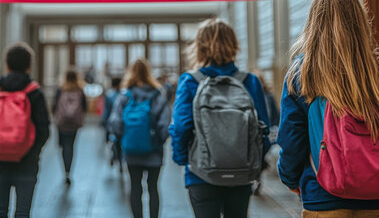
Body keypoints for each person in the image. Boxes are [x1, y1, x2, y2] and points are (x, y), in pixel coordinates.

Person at [277, 0, 379, 218]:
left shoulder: (302, 77)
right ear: (361, 22)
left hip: (323, 197)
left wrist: (291, 178)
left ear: (313, 26)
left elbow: (291, 139)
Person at [169, 18, 271, 218]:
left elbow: (181, 127)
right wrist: (254, 160)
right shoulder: (250, 81)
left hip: (201, 174)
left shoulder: (190, 81)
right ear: (234, 45)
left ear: (199, 47)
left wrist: (183, 159)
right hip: (242, 172)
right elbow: (264, 129)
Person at [0, 42, 50, 218]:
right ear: (29, 66)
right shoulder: (34, 92)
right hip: (26, 162)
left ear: (7, 64)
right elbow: (44, 129)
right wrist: (33, 153)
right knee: (23, 212)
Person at [108, 59, 171, 218]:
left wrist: (125, 138)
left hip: (131, 149)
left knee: (135, 187)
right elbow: (165, 125)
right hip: (154, 150)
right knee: (153, 188)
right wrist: (157, 141)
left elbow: (114, 122)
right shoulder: (158, 96)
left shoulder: (125, 96)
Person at [52, 69, 88, 185]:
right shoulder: (80, 90)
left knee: (63, 146)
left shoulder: (60, 90)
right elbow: (85, 107)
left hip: (61, 123)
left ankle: (65, 169)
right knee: (70, 146)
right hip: (74, 124)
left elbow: (54, 106)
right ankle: (69, 171)